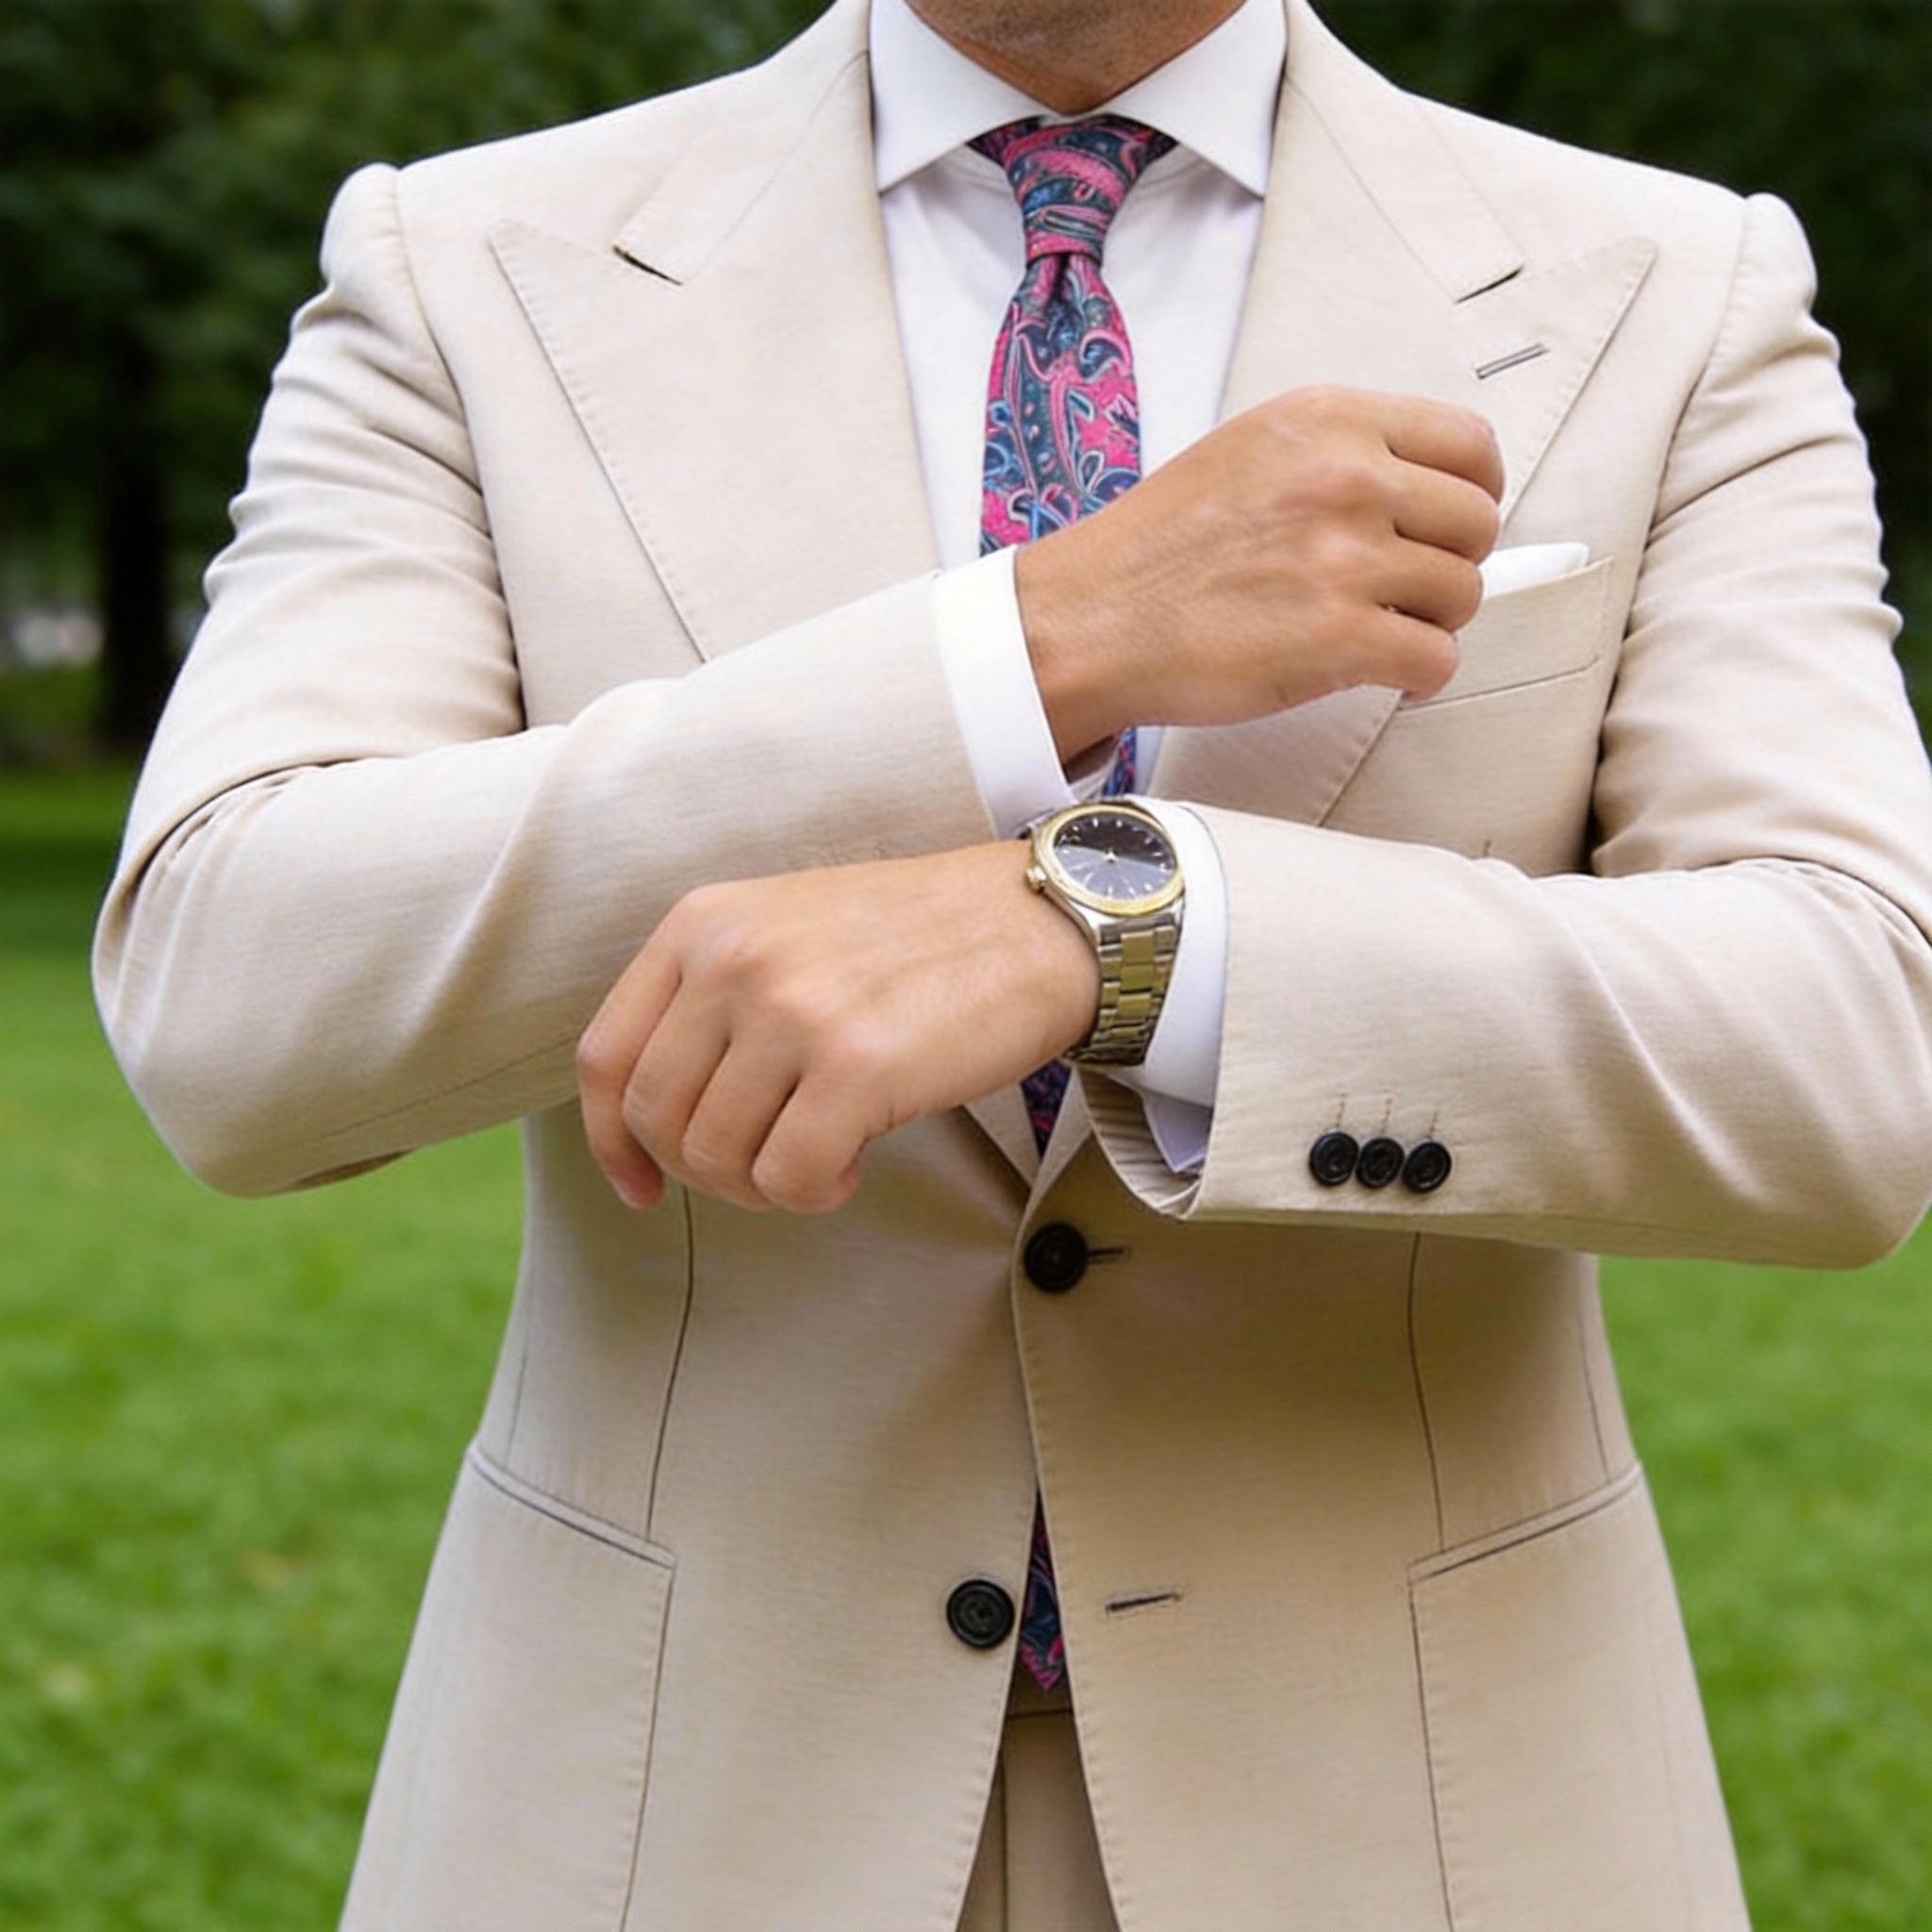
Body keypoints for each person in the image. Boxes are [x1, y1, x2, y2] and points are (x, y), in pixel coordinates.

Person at [93, 0, 1932, 1924]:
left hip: (1424, 1820)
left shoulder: (1672, 285)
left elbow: (1853, 1050)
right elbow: (230, 996)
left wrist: (1126, 928)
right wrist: (1031, 647)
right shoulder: (465, 266)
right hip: (673, 1813)